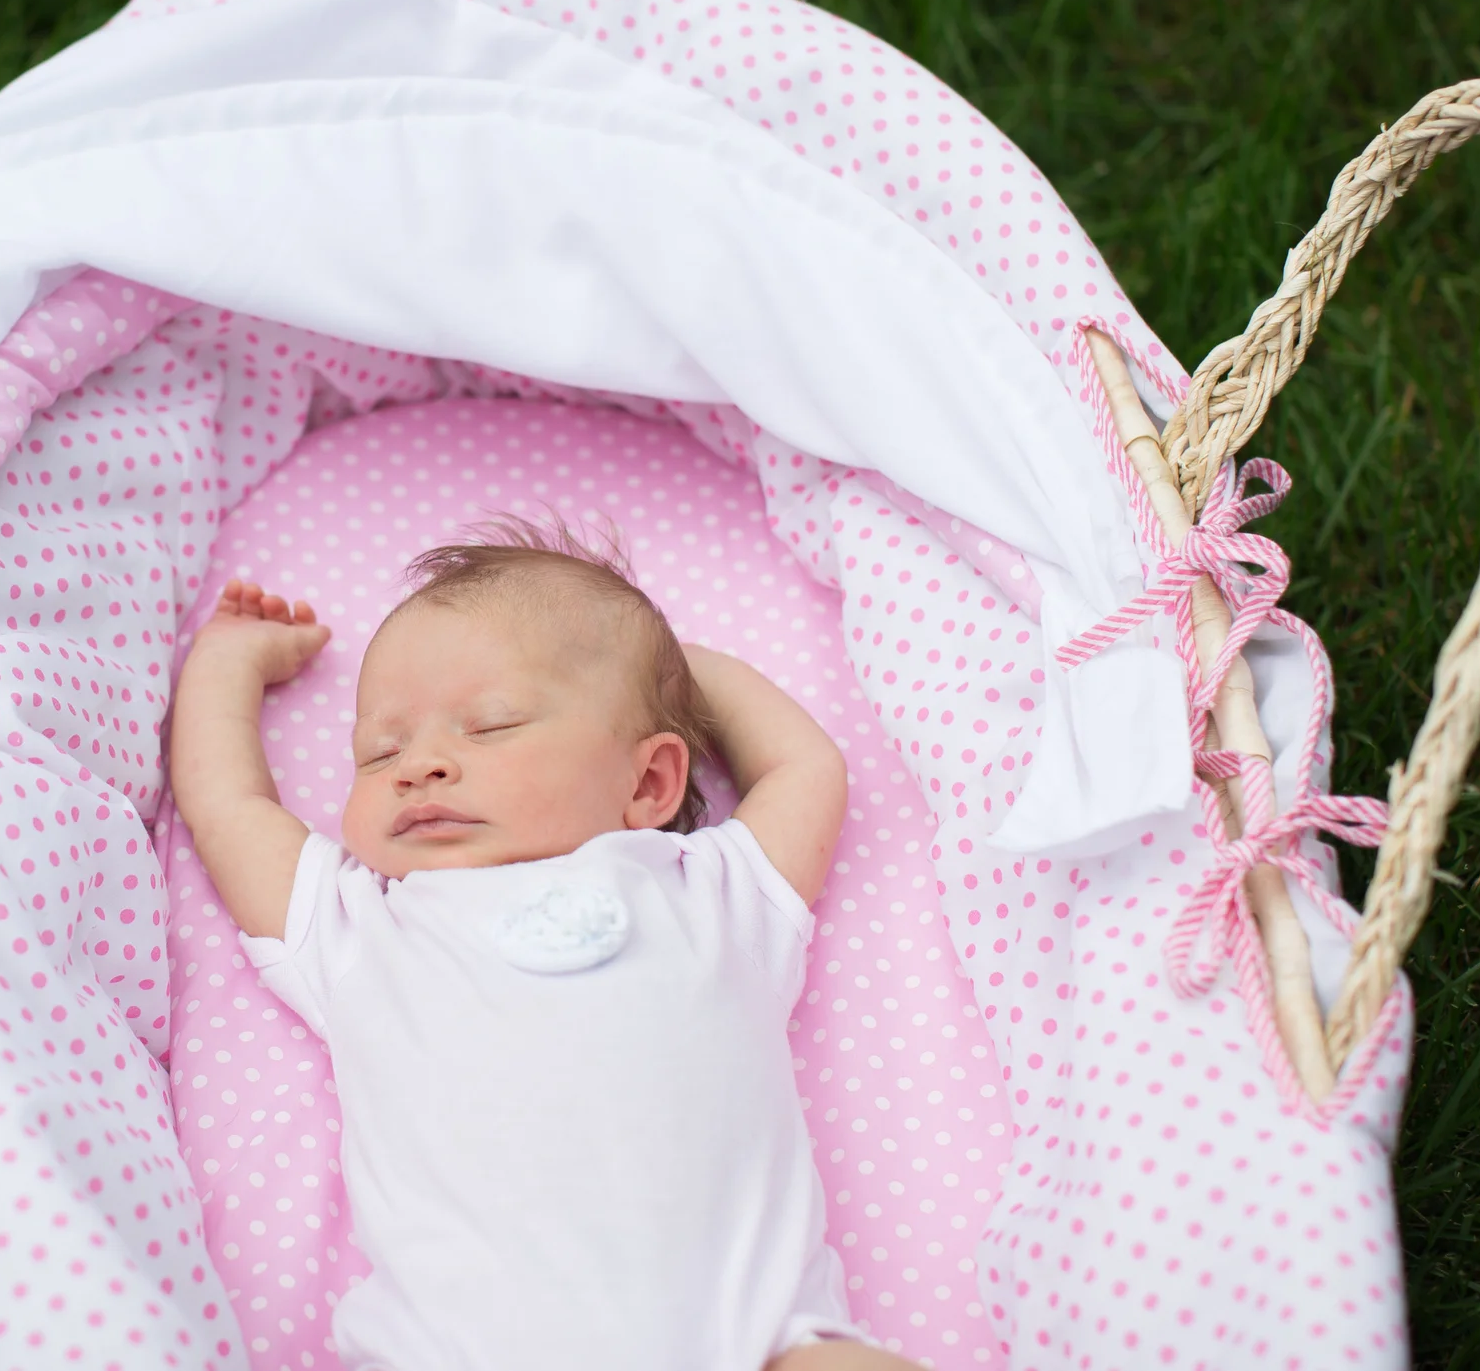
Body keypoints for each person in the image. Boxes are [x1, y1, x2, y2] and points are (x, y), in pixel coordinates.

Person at [169, 521, 921, 1371]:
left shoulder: (711, 891)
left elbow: (803, 768)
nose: (419, 765)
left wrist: (666, 667)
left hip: (762, 1339)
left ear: (648, 781)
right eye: (379, 751)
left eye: (488, 727)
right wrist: (227, 663)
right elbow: (227, 803)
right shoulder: (357, 926)